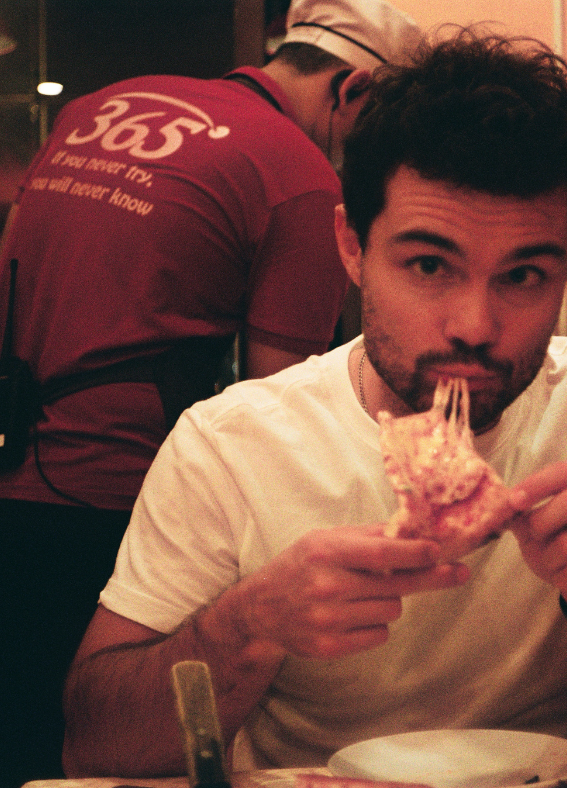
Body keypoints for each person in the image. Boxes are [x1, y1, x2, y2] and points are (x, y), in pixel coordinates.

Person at [63, 30, 567, 778]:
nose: (474, 326)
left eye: (523, 276)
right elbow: (93, 745)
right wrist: (248, 625)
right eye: (428, 264)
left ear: (566, 268)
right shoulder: (229, 444)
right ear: (352, 247)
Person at [0, 1, 421, 785]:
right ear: (354, 90)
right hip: (114, 507)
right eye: (386, 128)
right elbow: (284, 412)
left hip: (10, 465)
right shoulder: (298, 176)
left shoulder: (96, 108)